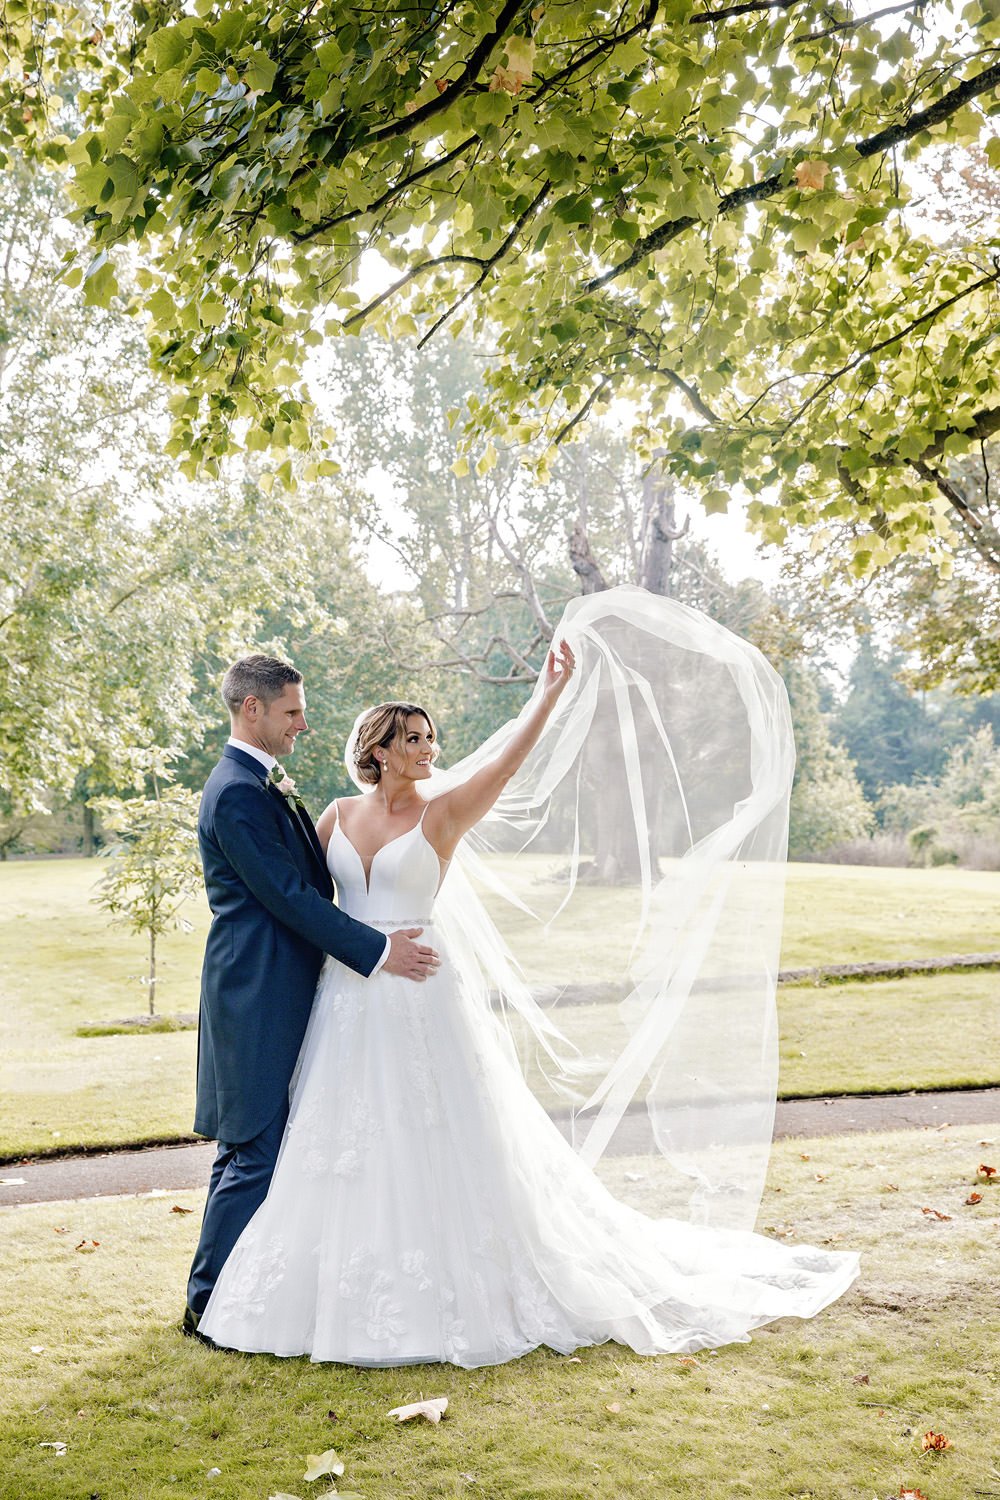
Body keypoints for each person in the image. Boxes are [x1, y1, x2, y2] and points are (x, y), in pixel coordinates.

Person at [198, 596, 859, 1367]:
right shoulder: (335, 814)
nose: (428, 747)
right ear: (377, 748)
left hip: (419, 993)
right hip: (348, 997)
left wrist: (546, 697)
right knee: (332, 1143)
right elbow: (299, 896)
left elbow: (508, 762)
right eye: (412, 737)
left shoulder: (443, 814)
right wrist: (365, 954)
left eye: (431, 737)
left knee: (434, 1133)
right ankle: (286, 1289)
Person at [184, 654, 440, 1337]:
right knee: (254, 1148)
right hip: (256, 991)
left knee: (265, 1146)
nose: (304, 723)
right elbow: (289, 896)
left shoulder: (258, 782)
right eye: (293, 711)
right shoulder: (237, 791)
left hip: (286, 986)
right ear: (253, 710)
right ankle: (208, 1302)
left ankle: (224, 1295)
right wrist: (380, 949)